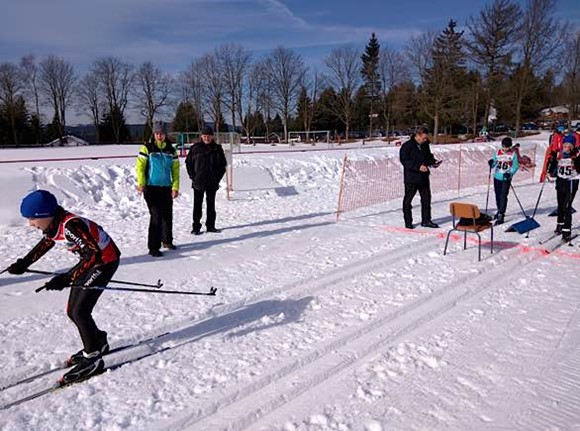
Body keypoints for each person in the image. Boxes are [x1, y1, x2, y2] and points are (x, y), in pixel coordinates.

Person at [6, 190, 121, 384]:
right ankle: (97, 341)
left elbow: (92, 254)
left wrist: (66, 278)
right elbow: (47, 242)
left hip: (104, 262)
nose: (30, 224)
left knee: (80, 312)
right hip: (91, 263)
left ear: (45, 215)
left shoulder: (71, 225)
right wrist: (24, 263)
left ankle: (93, 358)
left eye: (32, 219)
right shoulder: (54, 225)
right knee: (72, 311)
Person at [136, 121, 180, 257]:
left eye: (161, 133)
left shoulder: (171, 150)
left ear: (165, 134)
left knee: (167, 215)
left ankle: (167, 241)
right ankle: (153, 247)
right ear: (153, 134)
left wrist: (175, 187)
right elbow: (140, 167)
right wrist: (141, 183)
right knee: (156, 216)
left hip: (166, 187)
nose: (159, 136)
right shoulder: (147, 148)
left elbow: (176, 170)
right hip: (151, 188)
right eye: (156, 133)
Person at [185, 125, 227, 234]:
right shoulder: (195, 148)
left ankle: (211, 226)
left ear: (212, 136)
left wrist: (217, 178)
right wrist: (193, 177)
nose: (206, 138)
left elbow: (223, 166)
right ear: (201, 136)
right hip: (198, 182)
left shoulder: (217, 148)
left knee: (211, 205)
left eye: (208, 136)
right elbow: (188, 163)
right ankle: (196, 227)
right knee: (197, 206)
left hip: (212, 182)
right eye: (204, 136)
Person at [399, 127, 442, 229]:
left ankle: (426, 220)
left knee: (426, 199)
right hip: (412, 178)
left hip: (424, 177)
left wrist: (433, 162)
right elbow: (404, 160)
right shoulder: (407, 146)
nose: (425, 140)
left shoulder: (425, 145)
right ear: (417, 135)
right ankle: (408, 222)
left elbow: (428, 156)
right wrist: (417, 167)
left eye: (426, 138)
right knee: (408, 200)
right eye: (423, 138)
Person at [548, 135, 580, 241]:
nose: (566, 148)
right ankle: (560, 225)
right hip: (561, 181)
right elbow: (552, 169)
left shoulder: (577, 154)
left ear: (572, 146)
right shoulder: (559, 154)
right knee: (560, 205)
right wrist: (551, 161)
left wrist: (575, 161)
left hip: (571, 182)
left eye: (569, 146)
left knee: (567, 206)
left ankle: (567, 231)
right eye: (565, 145)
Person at [488, 137, 519, 225]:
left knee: (503, 195)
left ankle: (502, 214)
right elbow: (494, 163)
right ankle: (499, 210)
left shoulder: (513, 155)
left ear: (510, 147)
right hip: (497, 177)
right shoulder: (497, 153)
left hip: (506, 178)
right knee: (497, 195)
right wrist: (491, 163)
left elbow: (515, 166)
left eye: (507, 147)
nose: (505, 149)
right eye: (504, 147)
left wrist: (510, 173)